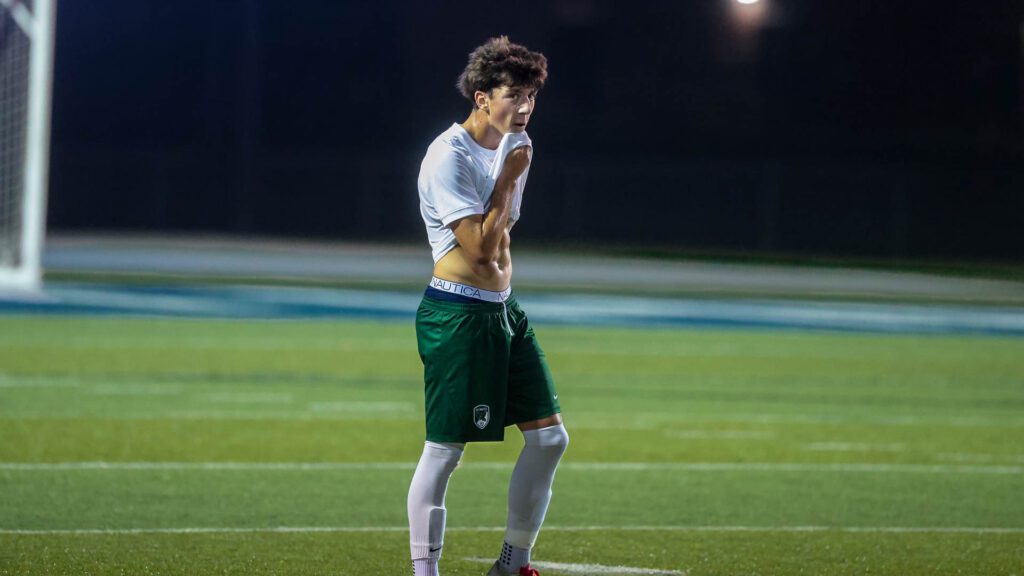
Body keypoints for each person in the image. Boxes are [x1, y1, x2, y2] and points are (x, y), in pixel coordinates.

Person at [408, 36, 569, 576]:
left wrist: (510, 169)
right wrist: (508, 177)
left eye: (531, 96)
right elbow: (477, 247)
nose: (525, 107)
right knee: (445, 452)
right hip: (458, 315)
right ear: (482, 97)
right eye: (513, 96)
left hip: (503, 310)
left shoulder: (515, 144)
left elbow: (503, 240)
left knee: (549, 439)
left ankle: (511, 564)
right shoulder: (447, 155)